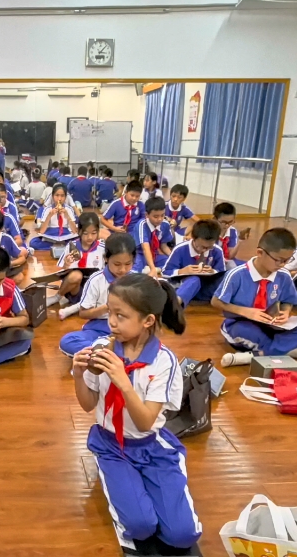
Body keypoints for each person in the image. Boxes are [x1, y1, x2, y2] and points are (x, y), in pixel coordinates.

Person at [70, 274, 199, 553]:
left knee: (182, 536)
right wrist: (78, 374)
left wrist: (124, 382)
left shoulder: (164, 362)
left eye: (120, 315)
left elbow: (144, 421)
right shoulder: (102, 349)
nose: (111, 322)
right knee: (141, 527)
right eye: (109, 312)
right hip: (111, 445)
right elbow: (87, 404)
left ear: (148, 320)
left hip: (150, 444)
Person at [212, 228, 297, 367]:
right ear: (260, 252)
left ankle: (254, 356)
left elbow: (288, 300)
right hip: (240, 323)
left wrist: (285, 312)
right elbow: (215, 301)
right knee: (246, 331)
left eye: (287, 260)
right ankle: (289, 350)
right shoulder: (237, 274)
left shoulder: (284, 275)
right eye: (279, 260)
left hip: (270, 325)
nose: (283, 265)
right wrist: (244, 311)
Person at [59, 233, 136, 352]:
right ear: (106, 258)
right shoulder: (96, 280)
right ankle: (112, 352)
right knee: (68, 341)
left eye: (128, 264)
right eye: (117, 264)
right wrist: (107, 308)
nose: (122, 270)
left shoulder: (136, 280)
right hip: (99, 328)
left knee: (145, 340)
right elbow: (83, 313)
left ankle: (103, 352)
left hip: (128, 328)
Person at [47, 213, 105, 308]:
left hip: (94, 290)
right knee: (76, 275)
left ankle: (85, 304)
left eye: (94, 233)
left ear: (98, 232)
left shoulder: (102, 248)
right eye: (85, 233)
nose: (90, 237)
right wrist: (66, 264)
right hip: (76, 289)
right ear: (79, 231)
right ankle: (57, 297)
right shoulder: (71, 246)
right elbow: (63, 273)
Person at [162, 220, 226, 306]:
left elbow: (222, 273)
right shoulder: (180, 249)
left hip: (206, 290)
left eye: (209, 247)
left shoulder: (217, 251)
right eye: (201, 246)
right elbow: (165, 272)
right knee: (195, 279)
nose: (203, 250)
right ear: (193, 238)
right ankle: (174, 305)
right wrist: (183, 271)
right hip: (186, 288)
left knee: (230, 275)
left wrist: (213, 271)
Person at [29, 183, 77, 251]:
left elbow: (75, 231)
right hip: (51, 235)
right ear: (52, 196)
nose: (59, 198)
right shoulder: (47, 209)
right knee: (33, 242)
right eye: (57, 195)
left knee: (78, 241)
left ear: (65, 197)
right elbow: (42, 231)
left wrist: (67, 216)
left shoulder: (69, 209)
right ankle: (60, 246)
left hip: (65, 234)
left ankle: (57, 247)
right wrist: (49, 216)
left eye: (62, 196)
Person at [133, 197, 174, 275]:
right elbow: (145, 248)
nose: (159, 219)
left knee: (172, 263)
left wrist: (173, 256)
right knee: (135, 269)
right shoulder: (142, 224)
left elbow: (163, 245)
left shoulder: (165, 224)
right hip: (139, 254)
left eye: (162, 215)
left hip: (154, 254)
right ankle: (151, 268)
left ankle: (151, 269)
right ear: (147, 215)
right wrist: (152, 269)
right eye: (155, 216)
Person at [214, 202, 241, 269]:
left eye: (230, 222)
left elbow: (230, 256)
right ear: (215, 219)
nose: (227, 225)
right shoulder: (209, 230)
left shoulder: (232, 231)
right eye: (223, 222)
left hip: (226, 260)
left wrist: (240, 241)